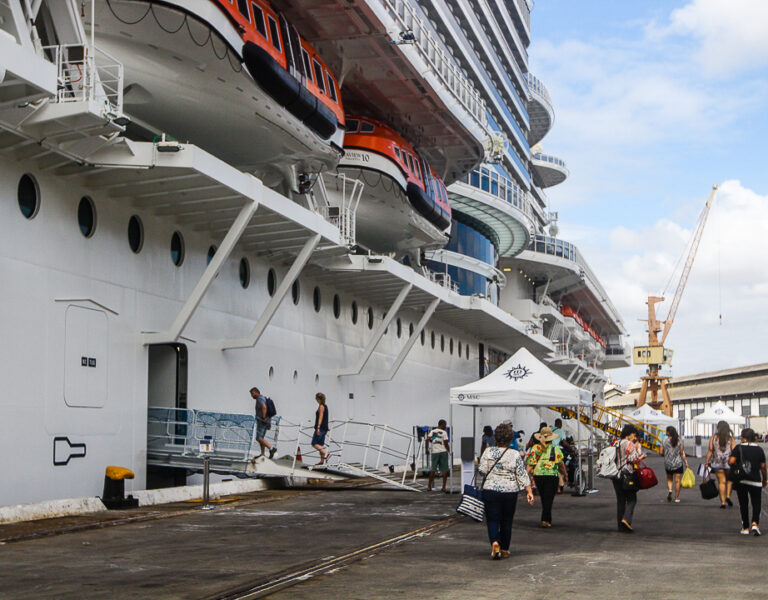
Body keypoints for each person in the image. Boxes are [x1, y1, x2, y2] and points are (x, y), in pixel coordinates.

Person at [478, 423, 534, 560]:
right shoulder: (515, 454)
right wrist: (529, 491)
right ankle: (504, 549)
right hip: (510, 491)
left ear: (496, 437)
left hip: (490, 490)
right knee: (507, 521)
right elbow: (522, 474)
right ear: (510, 439)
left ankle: (495, 542)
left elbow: (482, 471)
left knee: (492, 520)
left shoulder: (488, 452)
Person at [525, 426, 567, 527]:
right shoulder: (555, 448)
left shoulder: (536, 448)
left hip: (538, 476)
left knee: (545, 497)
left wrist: (525, 475)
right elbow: (561, 463)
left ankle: (548, 519)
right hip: (552, 475)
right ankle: (545, 519)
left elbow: (530, 464)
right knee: (549, 498)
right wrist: (565, 474)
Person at [729, 428, 767, 536]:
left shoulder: (738, 447)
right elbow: (763, 467)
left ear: (743, 438)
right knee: (756, 503)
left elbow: (731, 461)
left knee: (743, 504)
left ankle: (745, 528)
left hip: (741, 480)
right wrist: (765, 479)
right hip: (755, 480)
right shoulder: (759, 450)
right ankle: (755, 524)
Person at [613, 424, 646, 533]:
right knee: (632, 499)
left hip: (615, 475)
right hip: (627, 474)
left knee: (620, 500)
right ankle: (626, 519)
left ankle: (620, 525)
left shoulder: (615, 443)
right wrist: (642, 457)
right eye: (634, 435)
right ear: (629, 434)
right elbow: (634, 460)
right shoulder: (629, 444)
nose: (635, 437)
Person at [705, 420, 736, 509]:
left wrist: (707, 462)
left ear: (718, 428)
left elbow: (710, 450)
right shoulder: (730, 438)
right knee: (729, 481)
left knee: (721, 482)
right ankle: (728, 497)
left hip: (717, 462)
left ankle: (722, 502)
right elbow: (734, 450)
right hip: (729, 463)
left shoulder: (714, 437)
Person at [661, 426, 688, 503]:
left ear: (668, 432)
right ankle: (676, 497)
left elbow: (660, 452)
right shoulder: (679, 440)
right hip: (678, 463)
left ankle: (670, 490)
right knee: (677, 481)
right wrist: (686, 463)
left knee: (669, 479)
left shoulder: (664, 441)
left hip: (668, 463)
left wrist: (666, 454)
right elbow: (682, 453)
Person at [251, 387, 277, 458]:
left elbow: (264, 407)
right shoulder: (263, 398)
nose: (252, 396)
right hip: (266, 421)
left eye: (252, 393)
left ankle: (271, 448)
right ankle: (262, 454)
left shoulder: (259, 398)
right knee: (261, 438)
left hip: (262, 421)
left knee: (258, 438)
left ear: (257, 392)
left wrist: (263, 417)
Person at [427, 419, 450, 492]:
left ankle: (429, 486)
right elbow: (446, 443)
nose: (445, 427)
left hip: (435, 452)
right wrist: (449, 450)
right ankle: (443, 487)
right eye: (445, 425)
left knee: (433, 469)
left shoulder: (433, 431)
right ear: (442, 425)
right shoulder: (444, 432)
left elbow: (428, 440)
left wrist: (426, 450)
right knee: (444, 469)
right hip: (443, 452)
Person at [312, 392, 330, 465]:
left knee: (314, 443)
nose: (316, 400)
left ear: (319, 399)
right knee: (321, 444)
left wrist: (318, 427)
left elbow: (320, 417)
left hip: (321, 428)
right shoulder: (325, 406)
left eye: (316, 398)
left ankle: (326, 454)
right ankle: (322, 461)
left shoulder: (321, 406)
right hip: (325, 428)